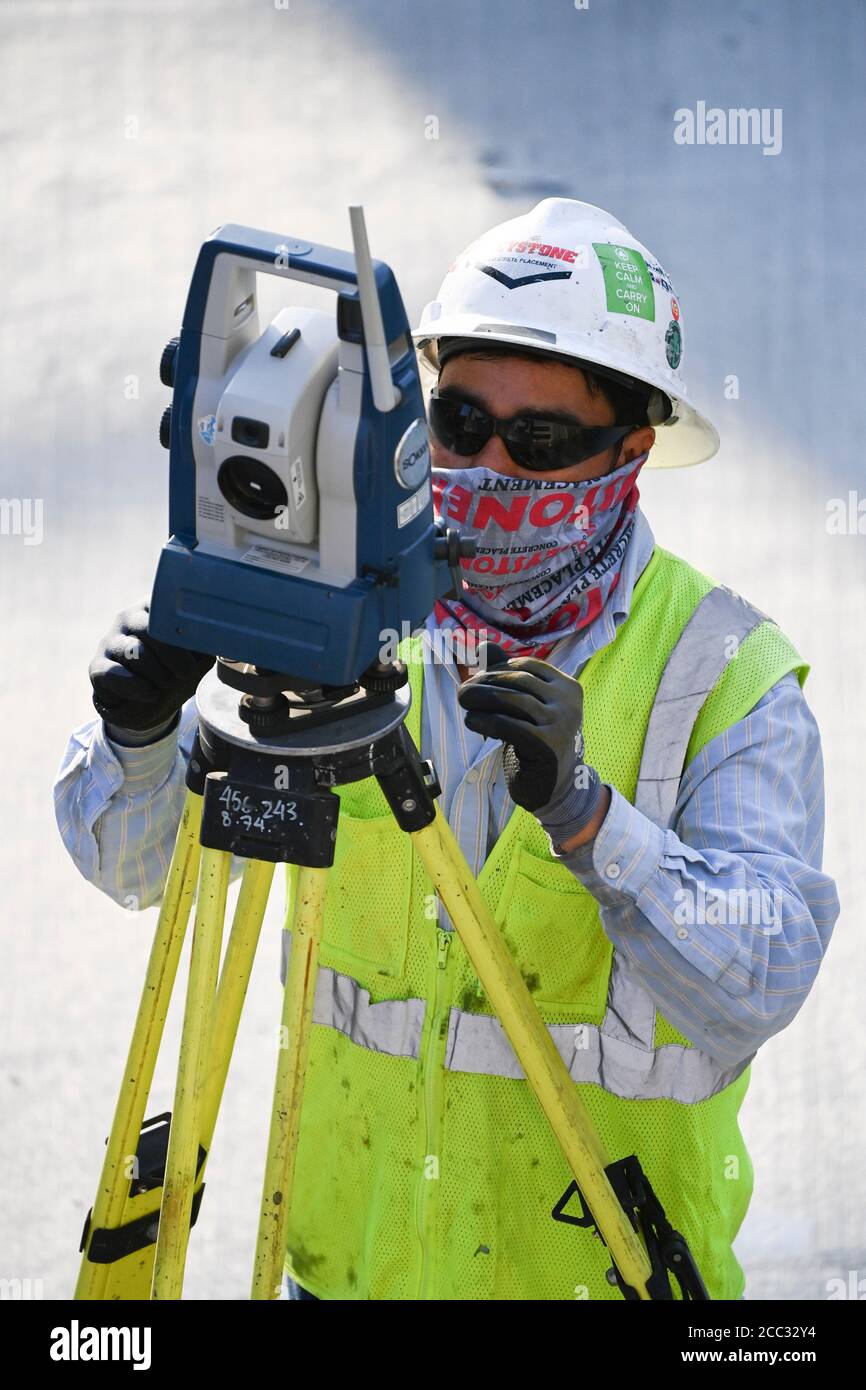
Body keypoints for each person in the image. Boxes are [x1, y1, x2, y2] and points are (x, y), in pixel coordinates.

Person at [54, 198, 839, 1300]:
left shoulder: (721, 673)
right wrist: (137, 737)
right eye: (460, 424)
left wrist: (590, 822)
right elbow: (141, 872)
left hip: (595, 1277)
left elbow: (756, 983)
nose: (488, 463)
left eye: (542, 441)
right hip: (343, 1275)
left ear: (633, 451)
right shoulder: (352, 611)